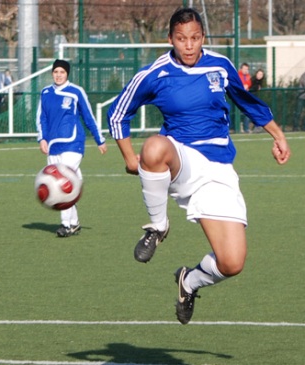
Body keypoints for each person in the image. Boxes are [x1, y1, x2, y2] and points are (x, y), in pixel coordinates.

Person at [107, 8, 291, 325]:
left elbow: (246, 101)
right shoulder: (157, 72)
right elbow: (118, 113)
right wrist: (128, 158)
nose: (189, 46)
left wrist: (278, 136)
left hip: (218, 170)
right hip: (182, 158)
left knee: (232, 262)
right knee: (153, 146)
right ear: (170, 40)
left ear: (203, 37)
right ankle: (157, 226)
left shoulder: (220, 65)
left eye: (194, 38)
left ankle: (188, 282)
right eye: (181, 39)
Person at [36, 59, 107, 237]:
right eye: (55, 72)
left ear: (67, 74)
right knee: (69, 185)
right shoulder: (45, 93)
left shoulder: (75, 92)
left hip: (72, 143)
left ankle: (66, 225)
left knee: (60, 183)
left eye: (62, 72)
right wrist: (42, 139)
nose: (58, 75)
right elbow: (41, 117)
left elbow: (88, 116)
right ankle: (74, 223)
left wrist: (99, 139)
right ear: (52, 73)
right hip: (53, 146)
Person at [238, 62, 252, 133]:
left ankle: (246, 128)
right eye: (244, 69)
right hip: (238, 96)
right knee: (238, 113)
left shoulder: (248, 76)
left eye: (247, 69)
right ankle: (238, 127)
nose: (246, 70)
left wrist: (247, 85)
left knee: (246, 112)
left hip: (245, 97)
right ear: (241, 69)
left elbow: (249, 83)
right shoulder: (238, 75)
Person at [250, 69, 265, 133]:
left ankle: (257, 126)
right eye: (259, 74)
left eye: (261, 74)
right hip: (250, 99)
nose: (259, 76)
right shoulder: (252, 80)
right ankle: (249, 128)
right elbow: (251, 87)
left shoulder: (260, 82)